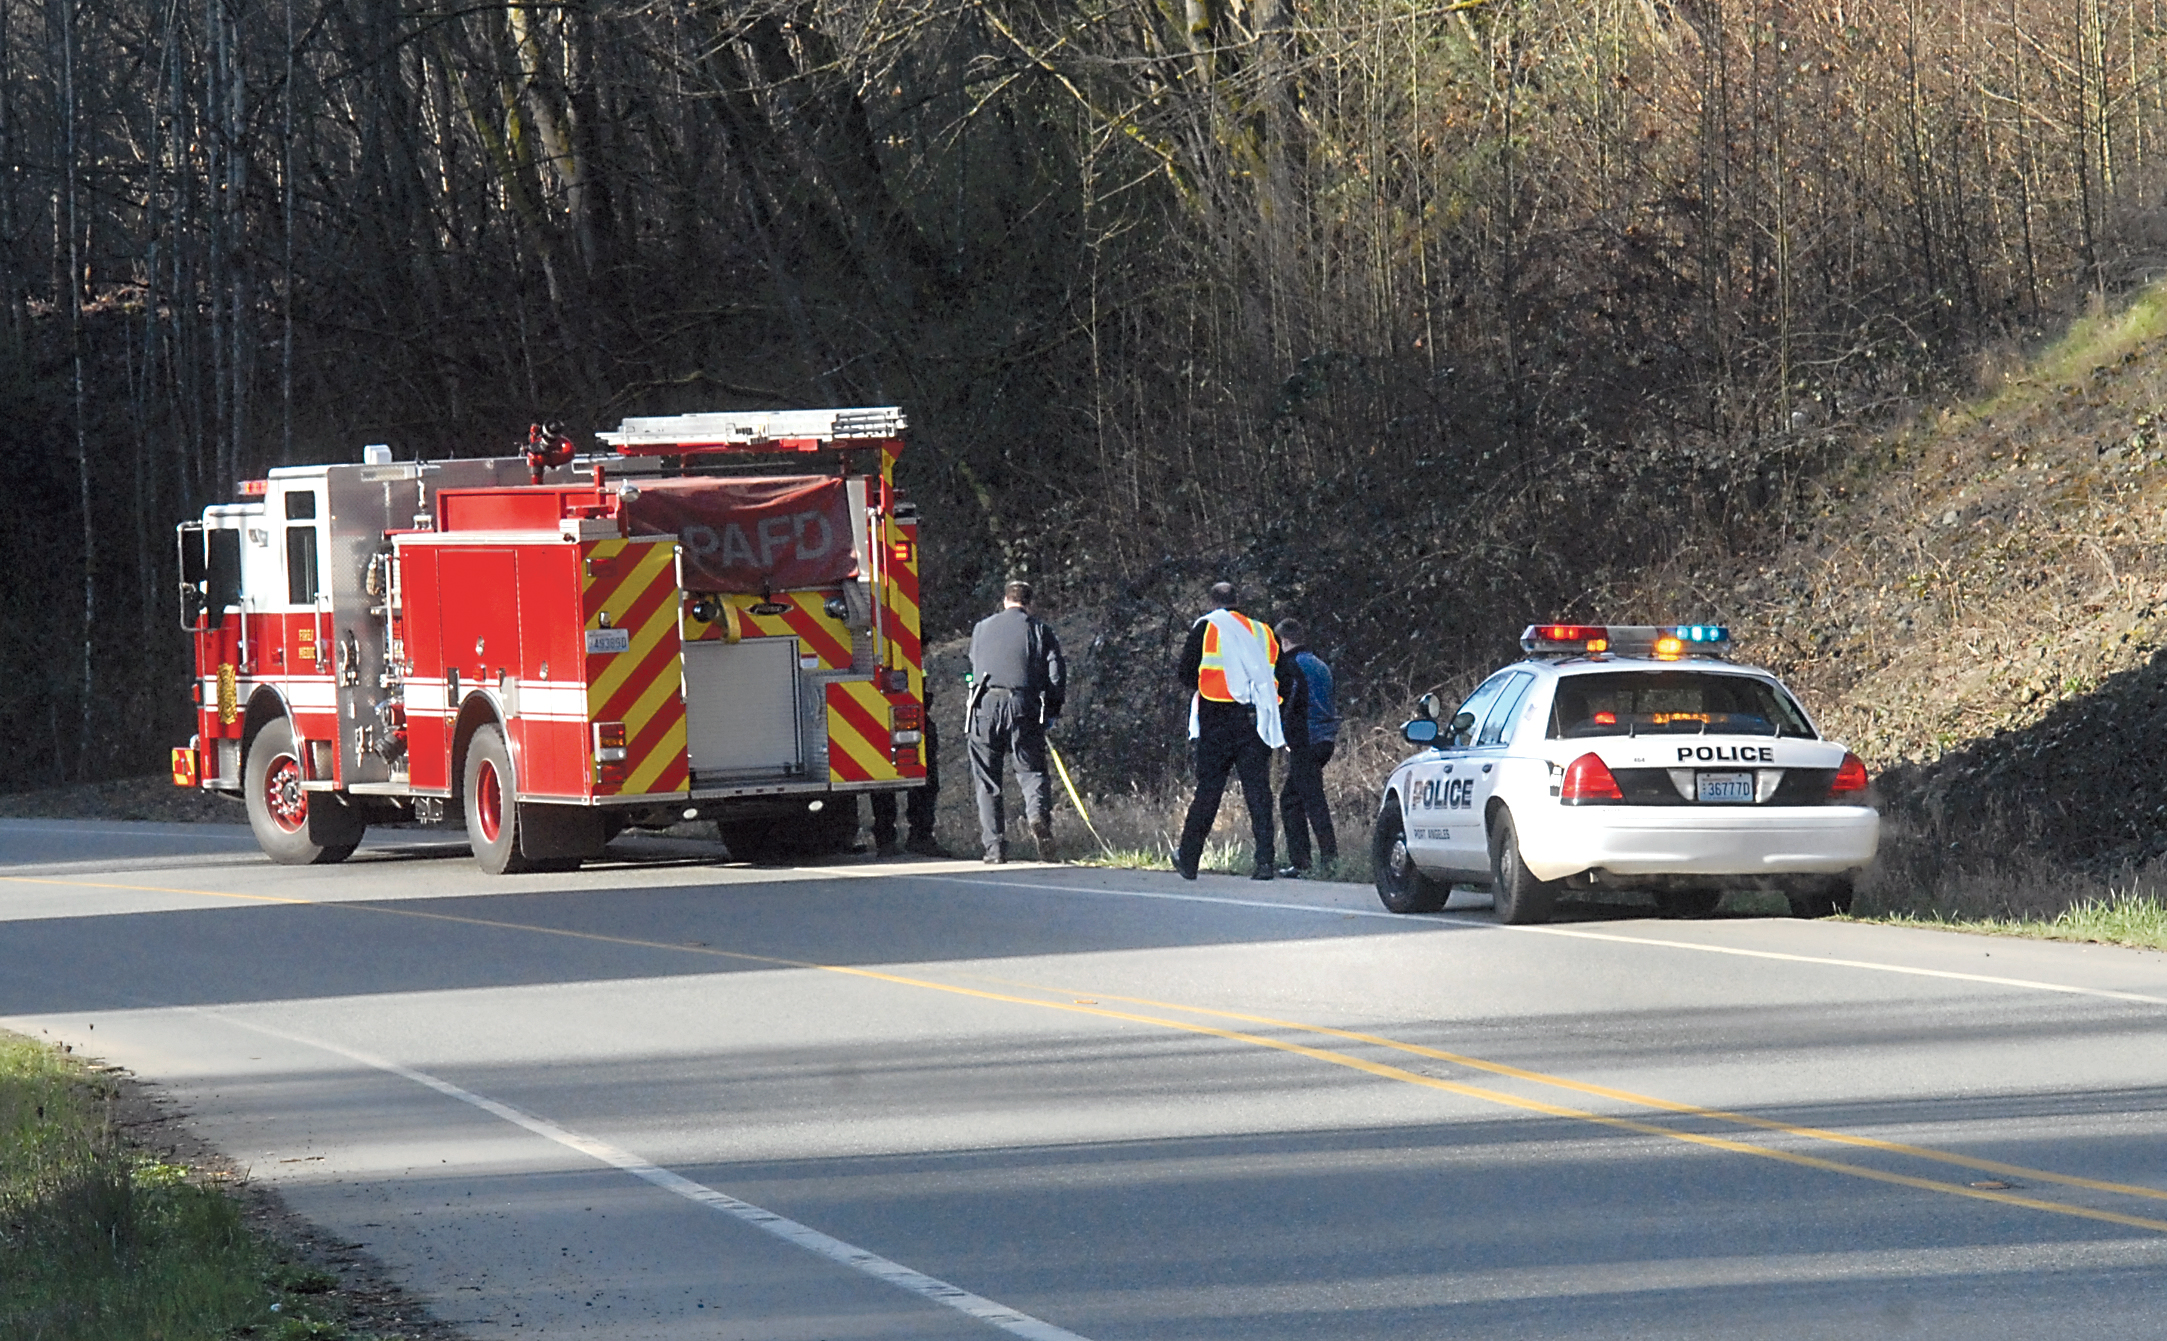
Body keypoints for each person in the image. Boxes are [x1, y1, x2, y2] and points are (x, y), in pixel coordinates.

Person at [1174, 582, 1301, 881]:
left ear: (1212, 602)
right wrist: (1271, 707)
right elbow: (1284, 677)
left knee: (1208, 791)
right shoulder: (1263, 631)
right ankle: (1265, 862)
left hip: (1216, 718)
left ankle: (1189, 858)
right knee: (1258, 792)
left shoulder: (1206, 628)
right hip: (1253, 720)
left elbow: (1185, 673)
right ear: (1238, 601)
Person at [966, 580, 1066, 863]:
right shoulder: (1039, 629)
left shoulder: (981, 628)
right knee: (1031, 771)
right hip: (1022, 705)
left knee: (987, 780)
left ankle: (995, 848)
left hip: (984, 705)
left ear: (1005, 600)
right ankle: (1037, 817)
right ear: (1029, 603)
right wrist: (1052, 711)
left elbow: (973, 665)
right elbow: (1056, 673)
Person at [1273, 619, 1339, 875]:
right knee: (1298, 797)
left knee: (1305, 800)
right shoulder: (1319, 664)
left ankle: (1315, 861)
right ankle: (1316, 860)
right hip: (1325, 738)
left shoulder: (1291, 666)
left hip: (1306, 739)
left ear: (1284, 641)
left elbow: (1288, 704)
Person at [871, 683, 944, 857]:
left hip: (895, 703)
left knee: (888, 777)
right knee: (890, 777)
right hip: (901, 699)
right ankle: (916, 837)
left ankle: (890, 839)